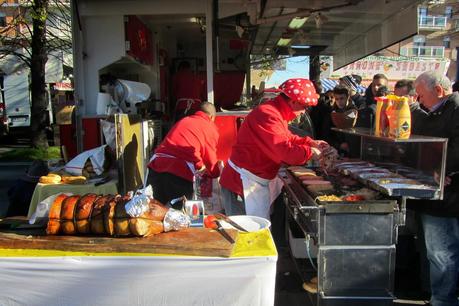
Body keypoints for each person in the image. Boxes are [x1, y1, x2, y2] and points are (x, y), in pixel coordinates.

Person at [219, 78, 333, 219]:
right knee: (246, 235)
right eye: (304, 107)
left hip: (252, 179)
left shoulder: (275, 113)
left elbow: (287, 137)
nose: (304, 112)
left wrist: (310, 142)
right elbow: (284, 151)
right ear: (293, 101)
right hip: (241, 183)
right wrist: (311, 153)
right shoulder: (269, 114)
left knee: (257, 232)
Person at [413, 71, 459, 306]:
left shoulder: (456, 109)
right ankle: (435, 293)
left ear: (439, 91)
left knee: (442, 253)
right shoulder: (424, 112)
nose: (418, 100)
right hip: (432, 193)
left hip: (448, 195)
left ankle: (443, 300)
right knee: (436, 252)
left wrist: (441, 168)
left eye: (421, 95)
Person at [147, 102, 221, 204]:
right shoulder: (209, 127)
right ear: (212, 117)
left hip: (156, 167)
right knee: (180, 215)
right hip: (179, 174)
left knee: (152, 213)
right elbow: (211, 159)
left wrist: (199, 165)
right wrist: (216, 174)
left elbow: (183, 147)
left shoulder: (184, 120)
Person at [320, 85, 357, 156]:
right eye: (337, 99)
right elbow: (325, 134)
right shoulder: (330, 113)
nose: (339, 102)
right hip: (335, 150)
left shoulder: (355, 111)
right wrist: (339, 145)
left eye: (342, 98)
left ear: (348, 97)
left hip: (353, 150)